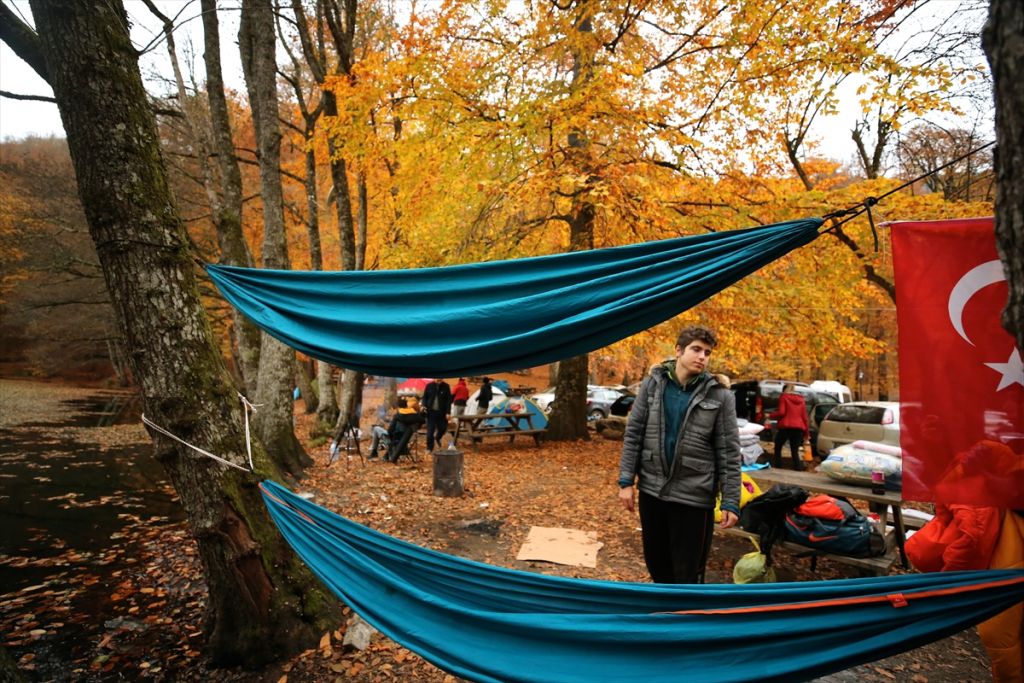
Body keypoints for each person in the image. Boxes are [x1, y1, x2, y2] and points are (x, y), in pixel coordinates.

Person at [617, 325, 742, 584]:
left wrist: (731, 501)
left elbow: (729, 452)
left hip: (694, 497)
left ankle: (685, 620)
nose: (702, 357)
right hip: (653, 491)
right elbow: (634, 434)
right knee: (657, 565)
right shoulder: (653, 385)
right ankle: (664, 619)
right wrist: (626, 481)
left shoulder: (720, 395)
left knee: (687, 573)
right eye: (696, 349)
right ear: (678, 351)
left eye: (707, 353)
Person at [768, 383, 809, 471]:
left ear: (784, 390)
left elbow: (782, 412)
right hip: (798, 428)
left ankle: (778, 467)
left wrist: (770, 415)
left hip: (786, 427)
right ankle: (798, 469)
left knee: (778, 447)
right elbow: (805, 417)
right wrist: (806, 433)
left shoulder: (784, 397)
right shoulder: (801, 399)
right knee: (794, 450)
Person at [386, 397, 426, 463]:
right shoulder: (414, 414)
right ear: (407, 405)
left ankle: (381, 454)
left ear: (398, 407)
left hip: (397, 437)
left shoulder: (397, 416)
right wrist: (422, 414)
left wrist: (389, 434)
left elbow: (390, 429)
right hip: (409, 437)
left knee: (382, 432)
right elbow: (423, 420)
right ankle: (386, 456)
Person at [421, 377, 452, 453]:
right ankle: (429, 448)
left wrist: (448, 412)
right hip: (431, 412)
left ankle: (437, 437)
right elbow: (424, 397)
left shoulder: (446, 386)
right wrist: (423, 405)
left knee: (443, 428)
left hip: (442, 412)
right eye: (437, 379)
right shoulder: (429, 386)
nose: (439, 380)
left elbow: (448, 400)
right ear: (434, 379)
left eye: (440, 379)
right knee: (430, 432)